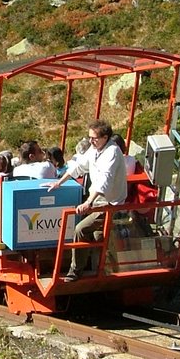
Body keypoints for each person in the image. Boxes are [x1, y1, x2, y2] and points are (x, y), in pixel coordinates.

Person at [45, 118, 126, 281]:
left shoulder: (112, 152)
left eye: (94, 138)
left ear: (105, 137)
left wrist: (88, 202)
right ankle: (101, 266)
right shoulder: (95, 149)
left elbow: (105, 180)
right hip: (98, 200)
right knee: (95, 234)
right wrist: (59, 182)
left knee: (80, 229)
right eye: (90, 137)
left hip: (109, 203)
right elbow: (79, 166)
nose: (91, 141)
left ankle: (75, 271)